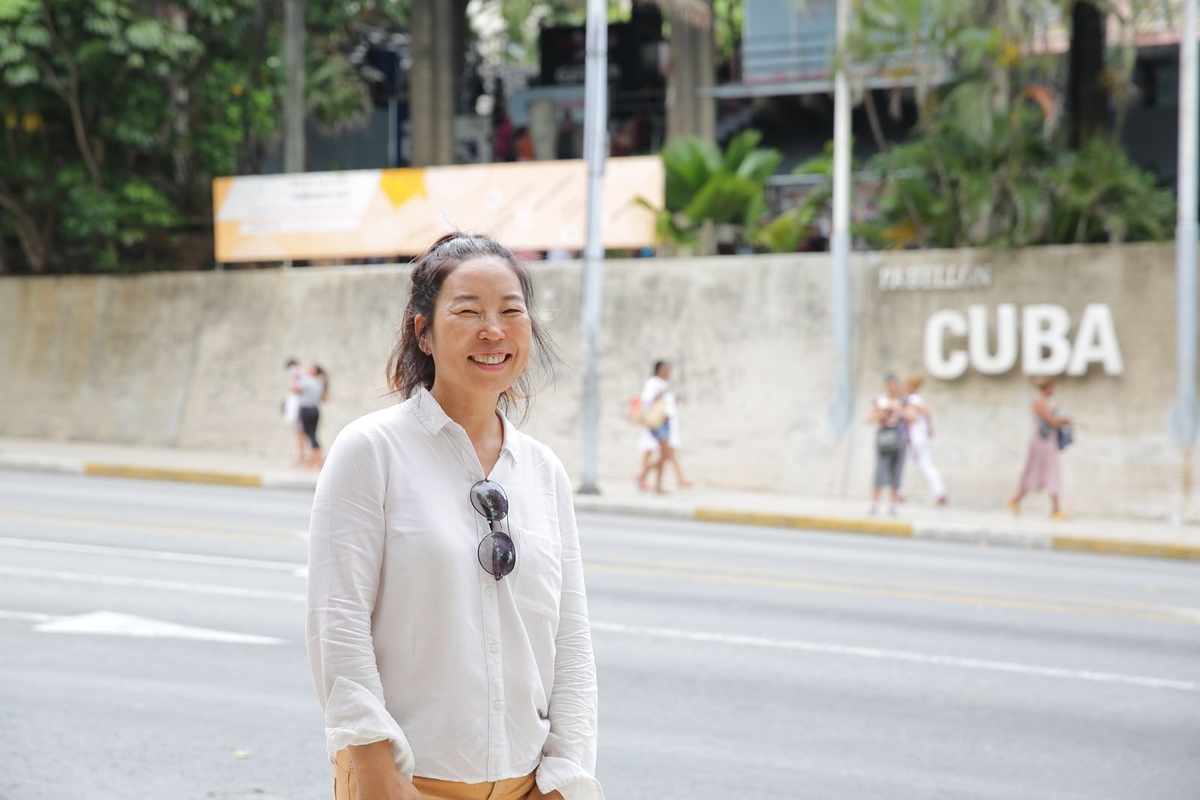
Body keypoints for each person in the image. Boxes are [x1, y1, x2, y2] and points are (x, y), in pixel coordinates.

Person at [306, 232, 601, 800]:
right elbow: (336, 622)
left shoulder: (544, 472)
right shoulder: (371, 451)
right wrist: (377, 773)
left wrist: (567, 778)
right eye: (467, 312)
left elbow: (571, 640)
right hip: (406, 781)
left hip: (530, 786)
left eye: (511, 311)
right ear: (424, 331)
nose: (493, 330)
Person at [1011, 376, 1071, 520]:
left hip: (1046, 442)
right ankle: (1055, 509)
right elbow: (1052, 422)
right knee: (1046, 471)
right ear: (1047, 387)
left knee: (1045, 472)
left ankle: (1017, 500)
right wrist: (1064, 420)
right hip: (1042, 443)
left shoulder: (1043, 402)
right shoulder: (1039, 402)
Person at [636, 361, 691, 493]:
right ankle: (643, 477)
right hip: (659, 423)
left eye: (668, 369)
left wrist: (676, 399)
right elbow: (647, 400)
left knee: (665, 454)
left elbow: (667, 401)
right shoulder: (653, 383)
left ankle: (657, 485)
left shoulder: (663, 384)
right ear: (658, 370)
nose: (667, 372)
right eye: (664, 369)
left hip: (666, 423)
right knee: (665, 454)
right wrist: (659, 394)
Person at [903, 374, 947, 506]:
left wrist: (901, 412)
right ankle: (940, 492)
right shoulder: (920, 400)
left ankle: (899, 492)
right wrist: (929, 429)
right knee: (927, 464)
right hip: (923, 437)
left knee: (901, 463)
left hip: (913, 437)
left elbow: (912, 417)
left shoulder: (911, 400)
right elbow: (927, 414)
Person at [868, 372, 906, 516]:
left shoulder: (903, 400)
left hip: (898, 436)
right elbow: (870, 417)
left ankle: (893, 505)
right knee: (880, 470)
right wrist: (883, 413)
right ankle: (874, 503)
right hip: (884, 436)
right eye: (888, 384)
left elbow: (912, 416)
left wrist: (898, 409)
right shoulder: (880, 400)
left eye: (893, 383)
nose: (891, 386)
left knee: (896, 471)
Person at [293, 364, 327, 470]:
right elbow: (323, 398)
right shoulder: (320, 383)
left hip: (306, 409)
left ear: (314, 371)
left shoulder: (307, 381)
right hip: (315, 410)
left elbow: (294, 389)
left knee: (310, 435)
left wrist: (294, 377)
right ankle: (316, 460)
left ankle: (317, 461)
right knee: (313, 435)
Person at [282, 358, 307, 466]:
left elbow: (294, 389)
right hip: (300, 409)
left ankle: (302, 458)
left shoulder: (301, 377)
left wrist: (293, 377)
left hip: (301, 410)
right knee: (300, 434)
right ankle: (302, 457)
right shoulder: (301, 377)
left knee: (301, 434)